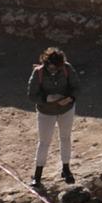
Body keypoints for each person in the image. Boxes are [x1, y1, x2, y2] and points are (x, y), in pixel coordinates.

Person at [27, 47, 81, 186]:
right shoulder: (38, 72)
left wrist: (70, 98)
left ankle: (66, 169)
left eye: (57, 68)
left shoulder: (67, 68)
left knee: (65, 138)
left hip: (66, 109)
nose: (54, 70)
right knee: (44, 142)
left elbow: (76, 87)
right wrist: (47, 98)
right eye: (52, 67)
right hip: (46, 112)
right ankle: (37, 175)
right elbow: (32, 94)